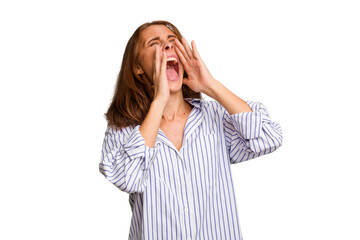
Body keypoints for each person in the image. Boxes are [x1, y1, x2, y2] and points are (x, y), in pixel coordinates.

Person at [99, 20, 283, 240]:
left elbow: (268, 137)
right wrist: (159, 100)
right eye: (154, 43)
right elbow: (126, 178)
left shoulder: (215, 116)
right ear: (138, 67)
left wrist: (210, 85)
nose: (167, 47)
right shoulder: (124, 129)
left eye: (171, 41)